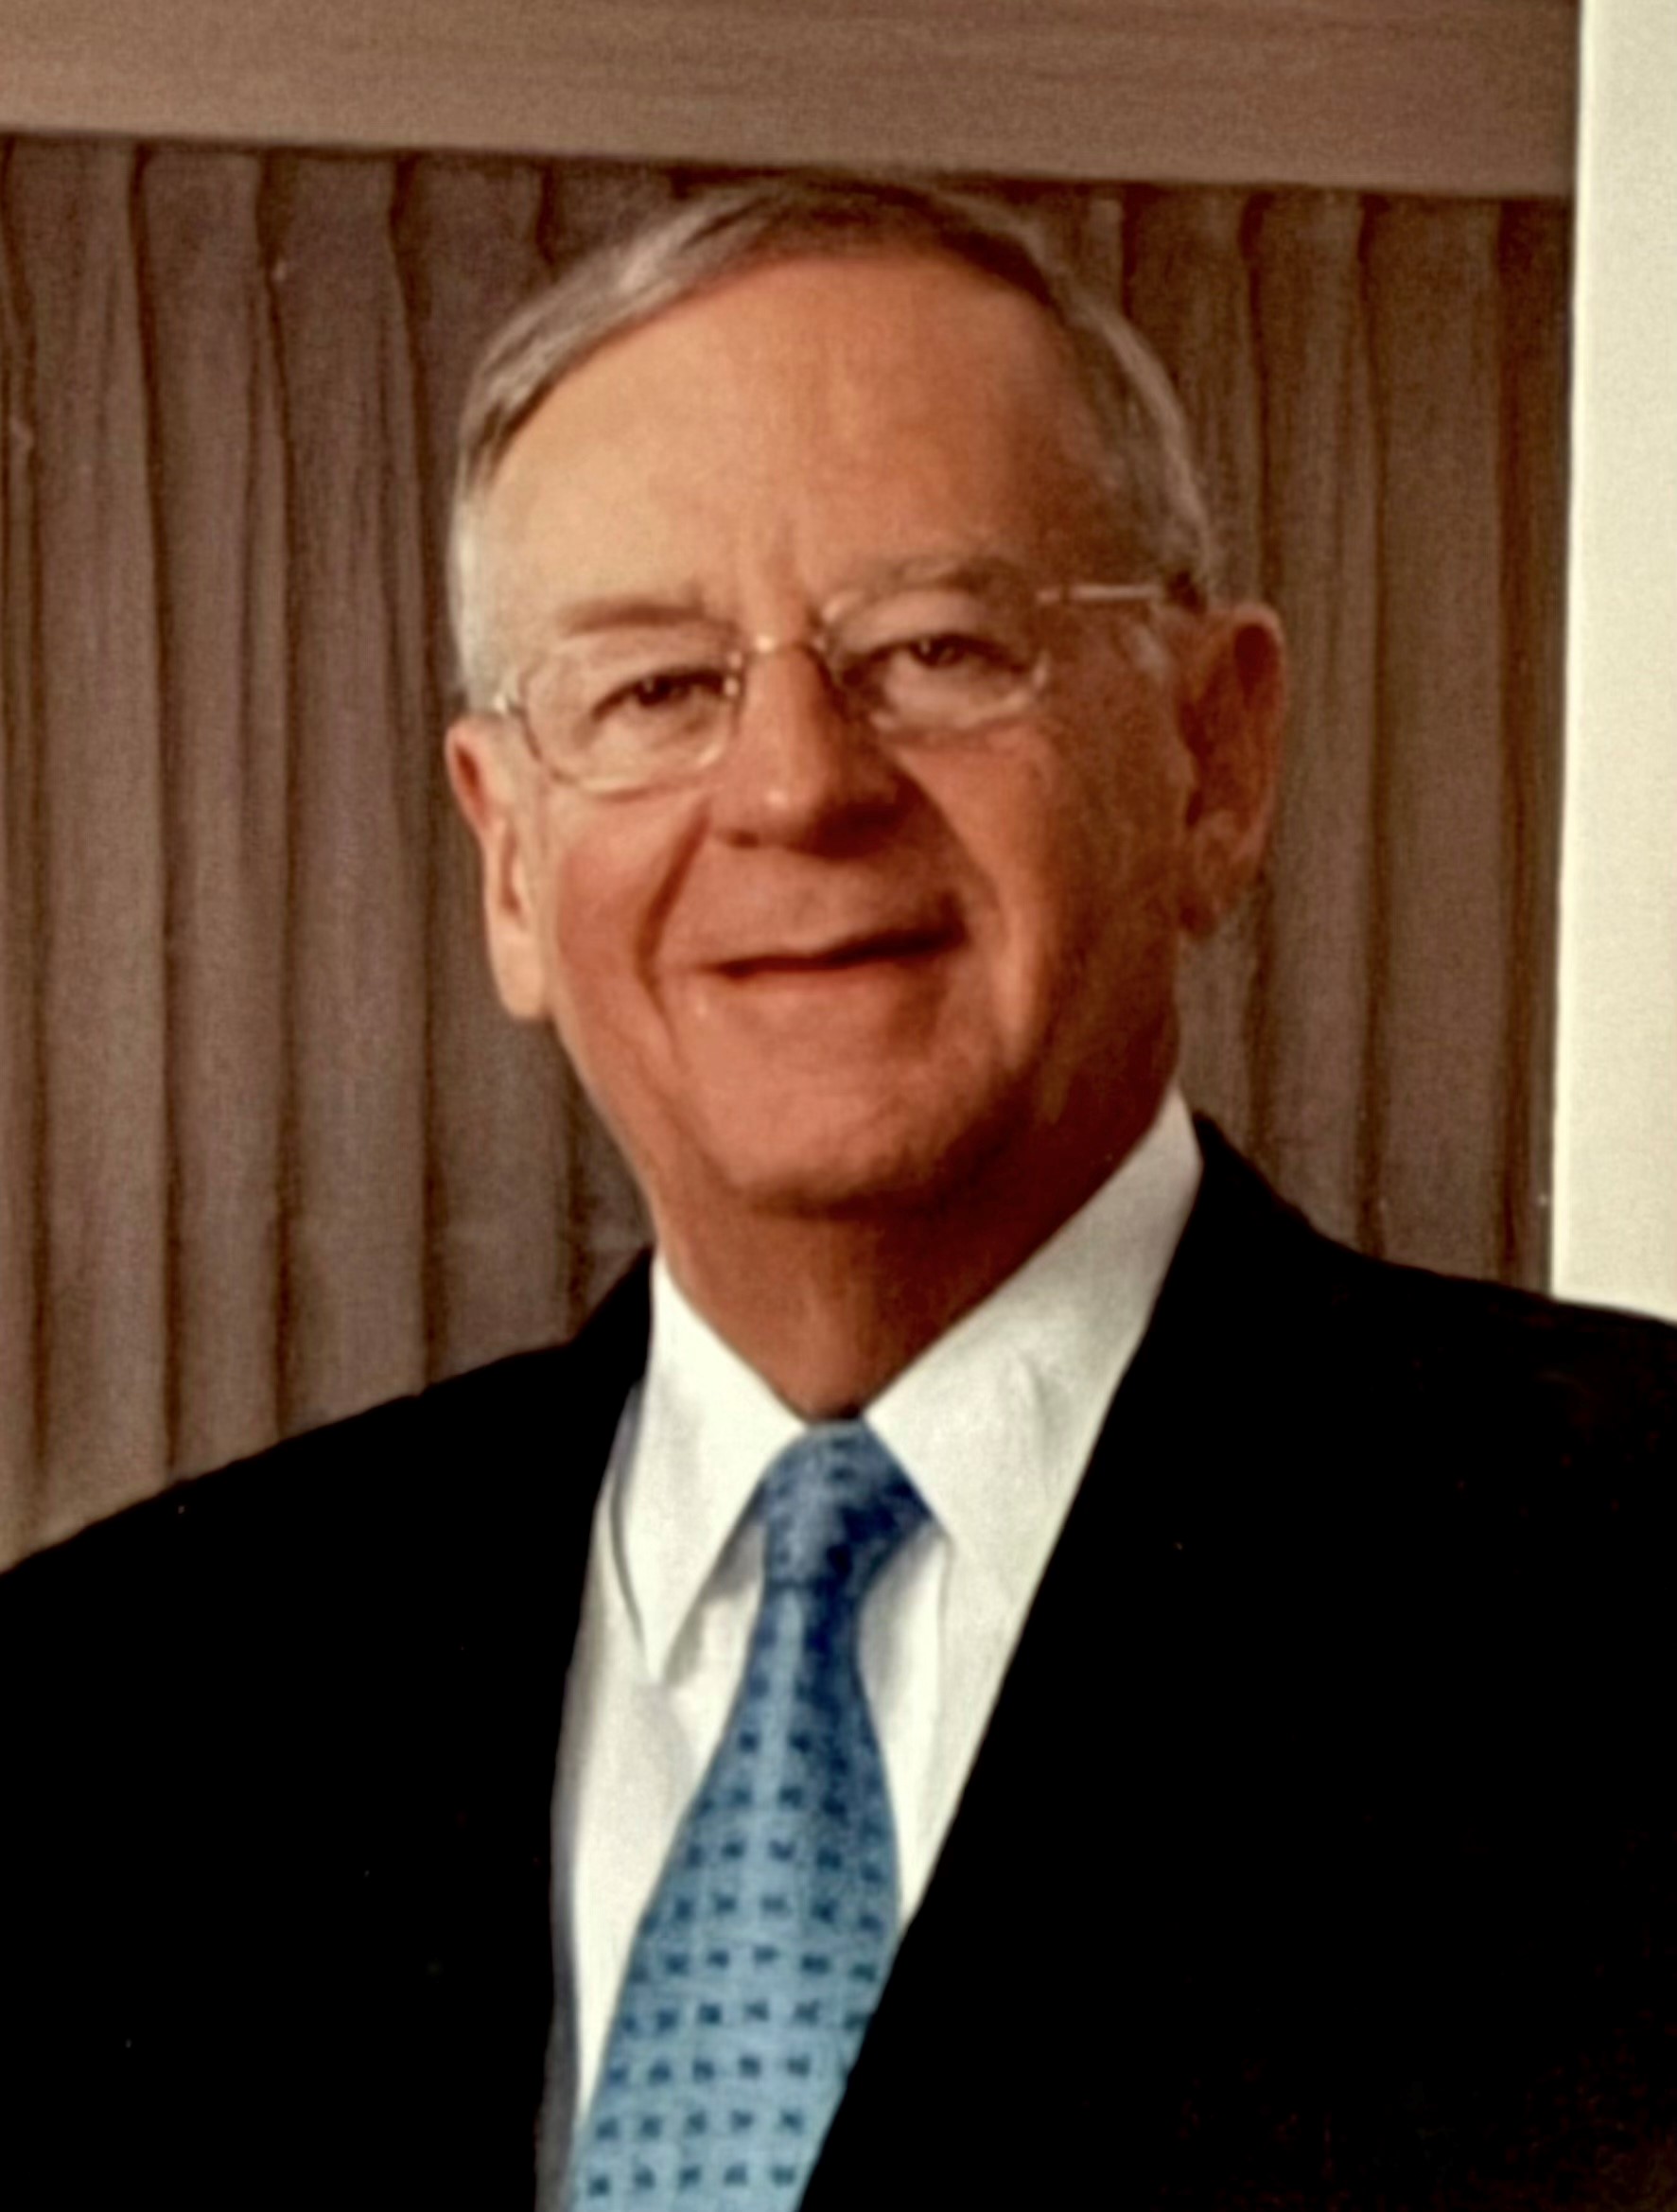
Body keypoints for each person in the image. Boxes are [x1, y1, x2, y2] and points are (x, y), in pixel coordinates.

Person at [3, 176, 1674, 2212]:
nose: (793, 784)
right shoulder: (106, 1705)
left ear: (1211, 760)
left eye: (934, 647)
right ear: (508, 863)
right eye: (652, 689)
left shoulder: (1631, 1576)